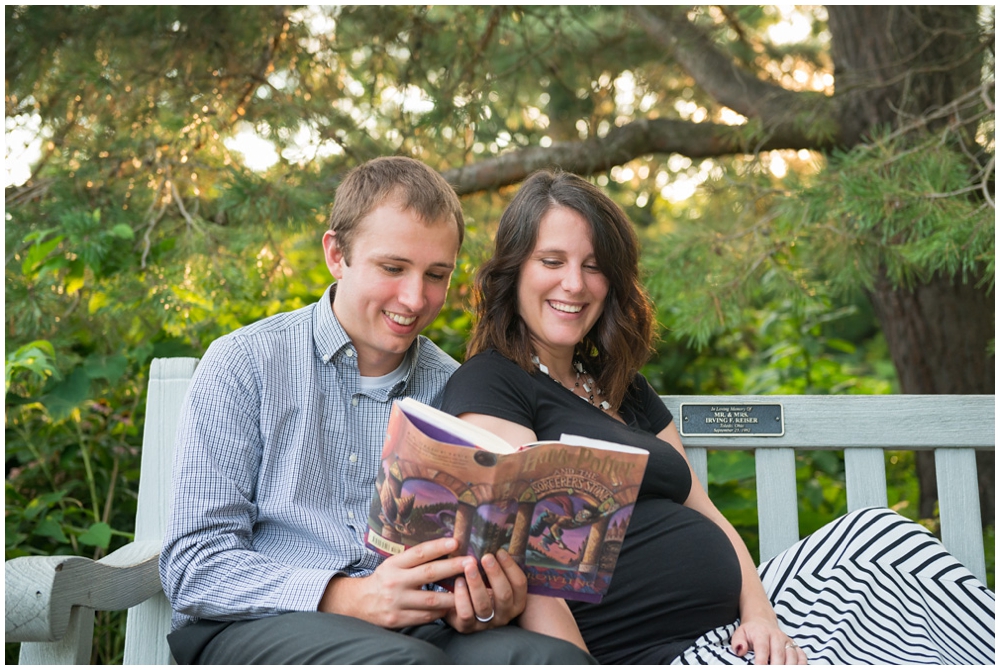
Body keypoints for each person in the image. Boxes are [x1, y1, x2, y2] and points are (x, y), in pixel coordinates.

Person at [440, 169, 996, 665]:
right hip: (656, 653)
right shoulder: (494, 381)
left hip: (742, 629)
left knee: (878, 535)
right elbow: (533, 570)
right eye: (552, 261)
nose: (575, 284)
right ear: (514, 273)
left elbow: (705, 512)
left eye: (593, 266)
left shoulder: (621, 386)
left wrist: (762, 618)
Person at [159, 157, 595, 664]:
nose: (414, 299)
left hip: (416, 629)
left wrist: (475, 600)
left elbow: (462, 569)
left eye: (437, 275)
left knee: (544, 660)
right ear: (336, 254)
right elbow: (194, 565)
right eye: (392, 268)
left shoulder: (454, 387)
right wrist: (351, 597)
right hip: (259, 623)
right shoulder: (245, 363)